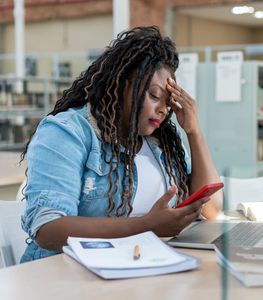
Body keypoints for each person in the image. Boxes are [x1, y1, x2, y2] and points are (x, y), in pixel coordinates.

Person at [20, 26, 222, 263]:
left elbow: (212, 210)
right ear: (123, 84)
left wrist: (193, 130)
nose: (163, 109)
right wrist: (147, 226)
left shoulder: (161, 141)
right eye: (155, 96)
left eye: (168, 102)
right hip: (69, 274)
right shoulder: (68, 131)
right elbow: (48, 229)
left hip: (144, 266)